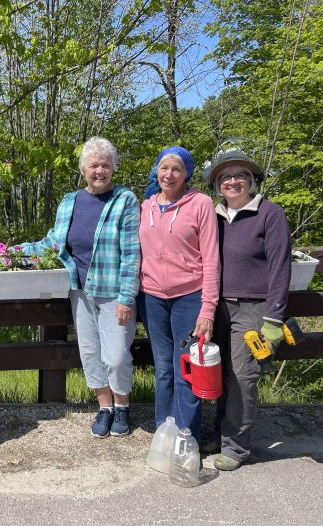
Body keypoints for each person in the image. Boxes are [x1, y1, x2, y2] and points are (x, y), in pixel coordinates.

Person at [17, 137, 141, 438]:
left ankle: (122, 405)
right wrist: (15, 251)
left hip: (114, 293)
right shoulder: (69, 201)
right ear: (83, 169)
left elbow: (132, 253)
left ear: (113, 169)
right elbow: (53, 243)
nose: (100, 170)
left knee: (117, 356)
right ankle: (105, 407)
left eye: (106, 165)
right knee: (90, 352)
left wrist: (127, 297)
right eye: (94, 165)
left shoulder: (125, 200)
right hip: (80, 291)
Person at [203, 150, 291, 471]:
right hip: (216, 308)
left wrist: (274, 320)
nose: (233, 181)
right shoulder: (212, 216)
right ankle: (219, 432)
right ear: (217, 184)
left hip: (253, 309)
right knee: (219, 373)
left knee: (242, 376)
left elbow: (281, 269)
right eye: (225, 176)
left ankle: (236, 447)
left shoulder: (270, 214)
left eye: (241, 175)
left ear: (252, 180)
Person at [137, 146, 220, 446]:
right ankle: (164, 433)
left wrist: (207, 309)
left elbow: (211, 259)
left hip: (190, 297)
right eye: (163, 168)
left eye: (176, 169)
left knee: (186, 366)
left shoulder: (201, 204)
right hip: (151, 299)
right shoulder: (145, 206)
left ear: (187, 173)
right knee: (163, 369)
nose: (168, 174)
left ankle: (187, 437)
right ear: (156, 171)